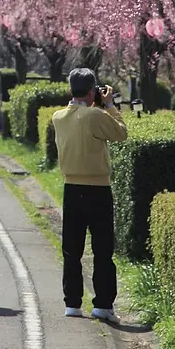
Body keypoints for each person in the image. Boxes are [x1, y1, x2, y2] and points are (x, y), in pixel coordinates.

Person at [52, 68, 128, 323]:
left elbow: (74, 113)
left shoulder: (58, 117)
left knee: (71, 249)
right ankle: (103, 304)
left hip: (71, 188)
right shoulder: (96, 115)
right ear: (92, 90)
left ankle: (72, 303)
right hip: (98, 188)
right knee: (102, 249)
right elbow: (120, 133)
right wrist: (110, 105)